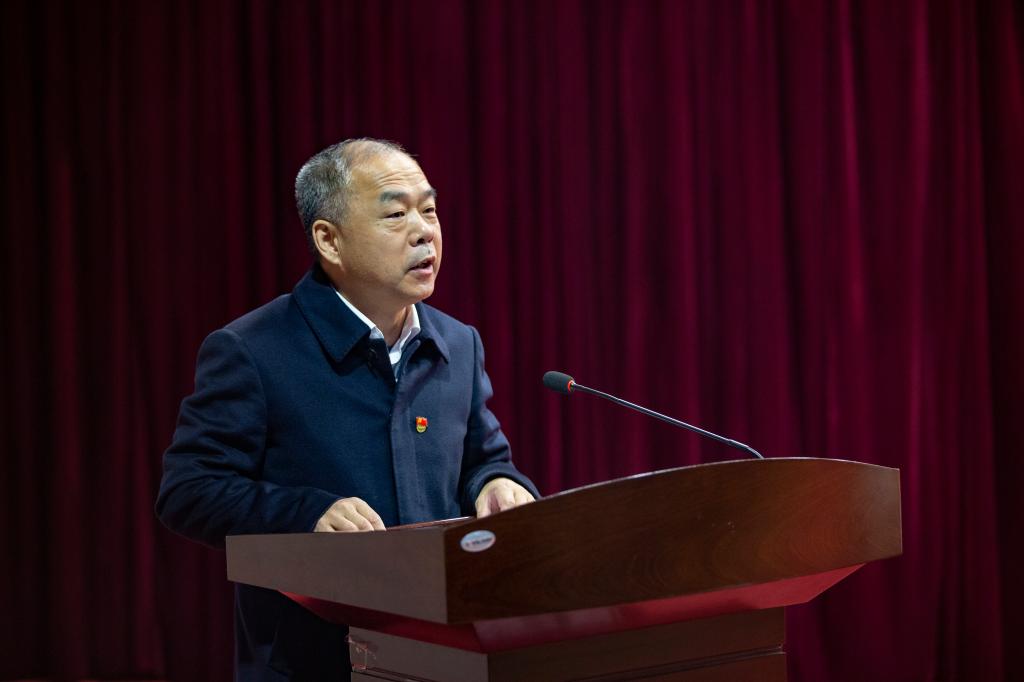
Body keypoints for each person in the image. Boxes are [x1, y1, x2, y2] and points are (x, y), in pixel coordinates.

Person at [155, 138, 538, 680]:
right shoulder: (254, 350)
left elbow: (484, 459)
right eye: (396, 214)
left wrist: (496, 483)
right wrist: (306, 513)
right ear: (329, 240)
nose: (424, 231)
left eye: (429, 210)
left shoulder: (458, 343)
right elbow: (188, 491)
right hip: (312, 660)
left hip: (444, 651)